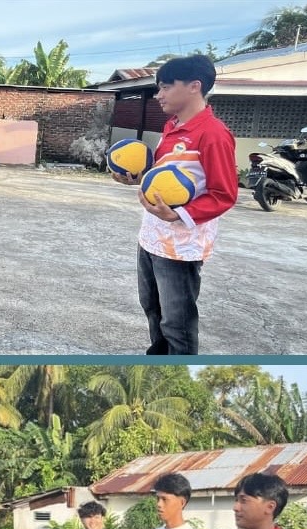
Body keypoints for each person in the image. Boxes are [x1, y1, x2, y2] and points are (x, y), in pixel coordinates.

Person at [113, 55, 238, 355]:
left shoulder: (213, 134)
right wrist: (137, 178)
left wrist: (180, 214)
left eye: (166, 87)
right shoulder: (171, 128)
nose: (159, 95)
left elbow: (225, 193)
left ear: (195, 86)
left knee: (176, 324)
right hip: (151, 237)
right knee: (152, 309)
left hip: (182, 247)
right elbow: (165, 179)